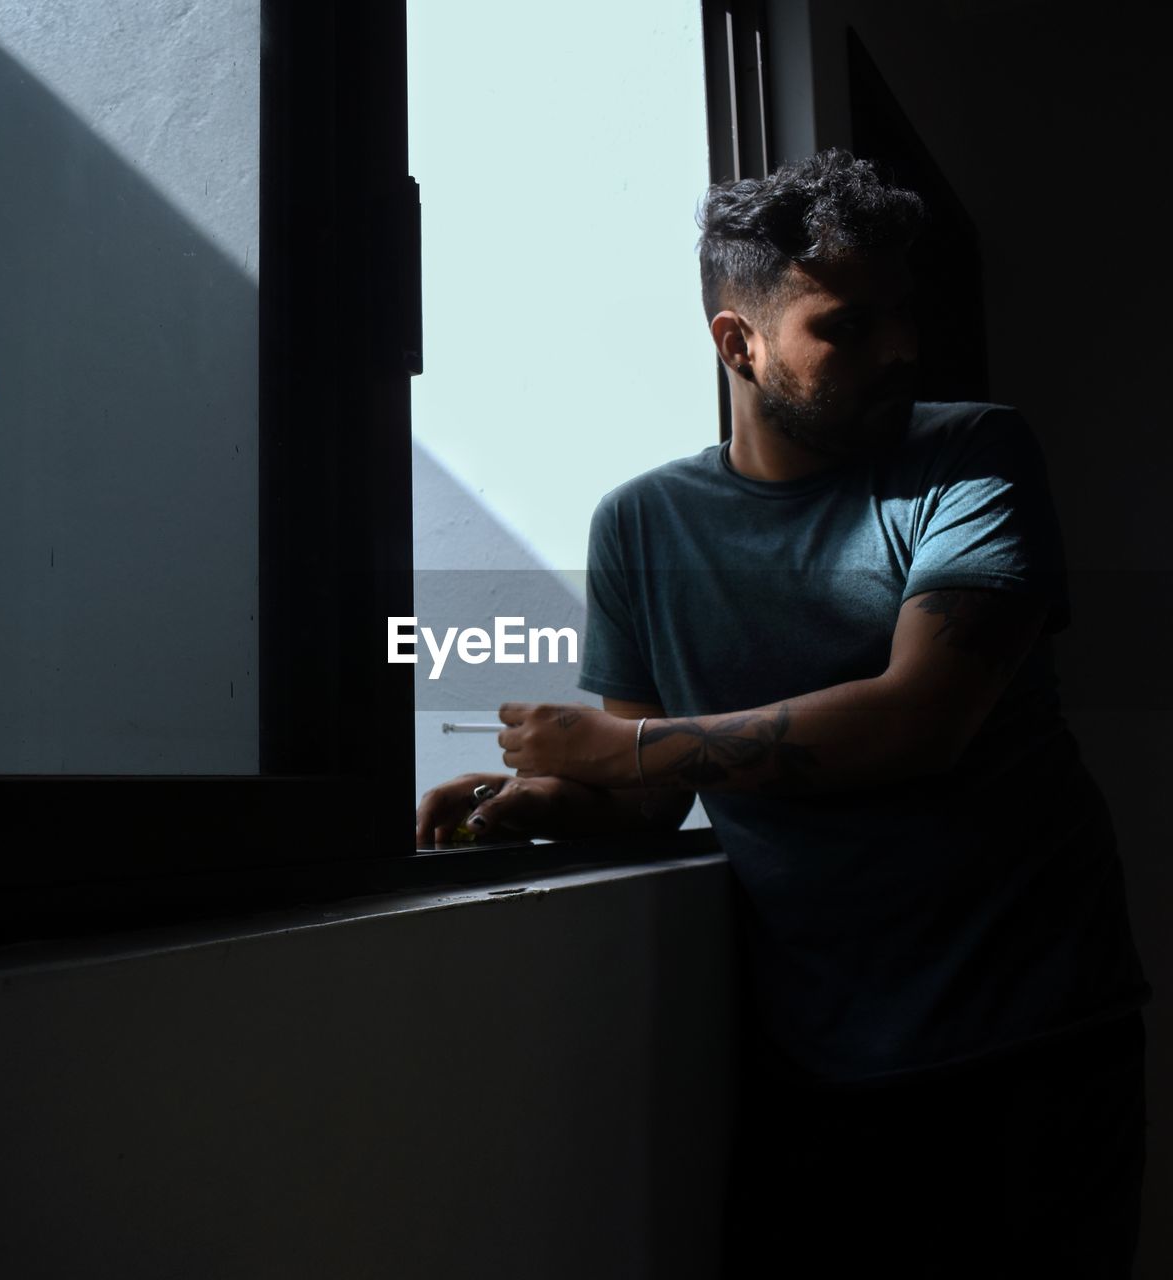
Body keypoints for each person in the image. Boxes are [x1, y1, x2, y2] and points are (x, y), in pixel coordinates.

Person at [413, 149, 1151, 1277]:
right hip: (815, 1057)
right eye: (847, 328)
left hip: (1030, 1036)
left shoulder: (971, 454)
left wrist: (616, 746)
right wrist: (534, 804)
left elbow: (919, 717)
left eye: (900, 318)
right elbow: (656, 797)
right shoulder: (639, 524)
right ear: (735, 343)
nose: (898, 350)